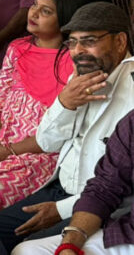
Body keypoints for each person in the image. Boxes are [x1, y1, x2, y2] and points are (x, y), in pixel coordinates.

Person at [0, 2, 134, 253]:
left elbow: (119, 186)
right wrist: (65, 103)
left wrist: (61, 210)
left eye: (88, 41)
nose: (78, 51)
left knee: (24, 248)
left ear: (120, 42)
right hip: (57, 190)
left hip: (101, 208)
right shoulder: (80, 77)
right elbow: (46, 141)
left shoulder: (131, 90)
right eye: (72, 42)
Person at [0, 0, 84, 218]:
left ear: (64, 20)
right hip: (0, 140)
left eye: (46, 11)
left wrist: (7, 152)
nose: (34, 13)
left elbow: (60, 131)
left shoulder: (73, 61)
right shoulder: (18, 48)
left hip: (39, 152)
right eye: (34, 5)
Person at [13, 109, 134, 255]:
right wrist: (70, 245)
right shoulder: (131, 122)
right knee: (26, 251)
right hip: (128, 235)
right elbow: (104, 188)